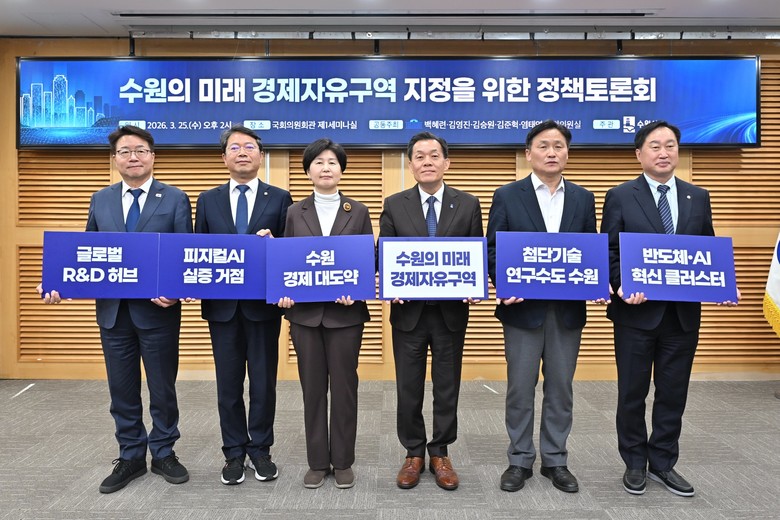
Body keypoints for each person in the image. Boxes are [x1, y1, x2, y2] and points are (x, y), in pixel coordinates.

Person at [37, 125, 192, 493]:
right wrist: (59, 284)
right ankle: (131, 455)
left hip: (158, 312)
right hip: (113, 312)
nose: (133, 157)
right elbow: (87, 253)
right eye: (125, 151)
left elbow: (184, 253)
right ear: (115, 159)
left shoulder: (175, 198)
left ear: (152, 157)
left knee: (162, 388)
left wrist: (176, 290)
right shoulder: (101, 199)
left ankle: (164, 451)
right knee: (121, 388)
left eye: (140, 150)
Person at [601, 120, 740, 498]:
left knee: (673, 393)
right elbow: (609, 250)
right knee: (632, 392)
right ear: (639, 154)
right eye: (655, 146)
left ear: (678, 151)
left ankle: (663, 462)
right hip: (636, 315)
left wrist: (721, 285)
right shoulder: (620, 196)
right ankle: (634, 461)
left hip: (682, 315)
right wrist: (621, 285)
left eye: (670, 146)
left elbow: (707, 250)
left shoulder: (698, 196)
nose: (663, 153)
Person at [486, 120, 600, 494]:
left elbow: (589, 249)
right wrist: (504, 283)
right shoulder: (507, 195)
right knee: (520, 388)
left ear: (568, 153)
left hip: (567, 309)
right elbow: (492, 249)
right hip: (523, 310)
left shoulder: (583, 198)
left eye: (558, 146)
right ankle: (519, 459)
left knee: (561, 388)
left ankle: (555, 460)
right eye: (543, 146)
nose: (552, 152)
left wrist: (597, 281)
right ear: (528, 153)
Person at [379, 131, 483, 491]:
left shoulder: (467, 204)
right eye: (420, 156)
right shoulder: (394, 204)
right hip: (408, 314)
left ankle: (440, 452)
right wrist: (389, 283)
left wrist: (475, 285)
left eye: (434, 155)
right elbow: (383, 254)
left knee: (446, 386)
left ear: (446, 163)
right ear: (411, 165)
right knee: (408, 387)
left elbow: (475, 253)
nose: (427, 161)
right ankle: (413, 453)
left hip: (451, 314)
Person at [194, 124, 293, 485]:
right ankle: (233, 452)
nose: (242, 153)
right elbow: (198, 250)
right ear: (224, 158)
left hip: (263, 306)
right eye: (234, 147)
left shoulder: (279, 197)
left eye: (249, 147)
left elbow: (288, 251)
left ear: (260, 156)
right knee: (228, 384)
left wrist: (274, 242)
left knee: (264, 383)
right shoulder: (208, 200)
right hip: (221, 307)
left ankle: (261, 449)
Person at [277, 138, 373, 489]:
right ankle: (317, 461)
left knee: (345, 388)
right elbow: (287, 260)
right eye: (318, 162)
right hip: (304, 317)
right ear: (308, 171)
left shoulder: (358, 211)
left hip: (346, 316)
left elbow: (367, 261)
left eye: (332, 162)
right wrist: (284, 292)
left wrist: (357, 290)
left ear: (342, 170)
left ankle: (343, 461)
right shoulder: (294, 212)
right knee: (312, 389)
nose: (326, 167)